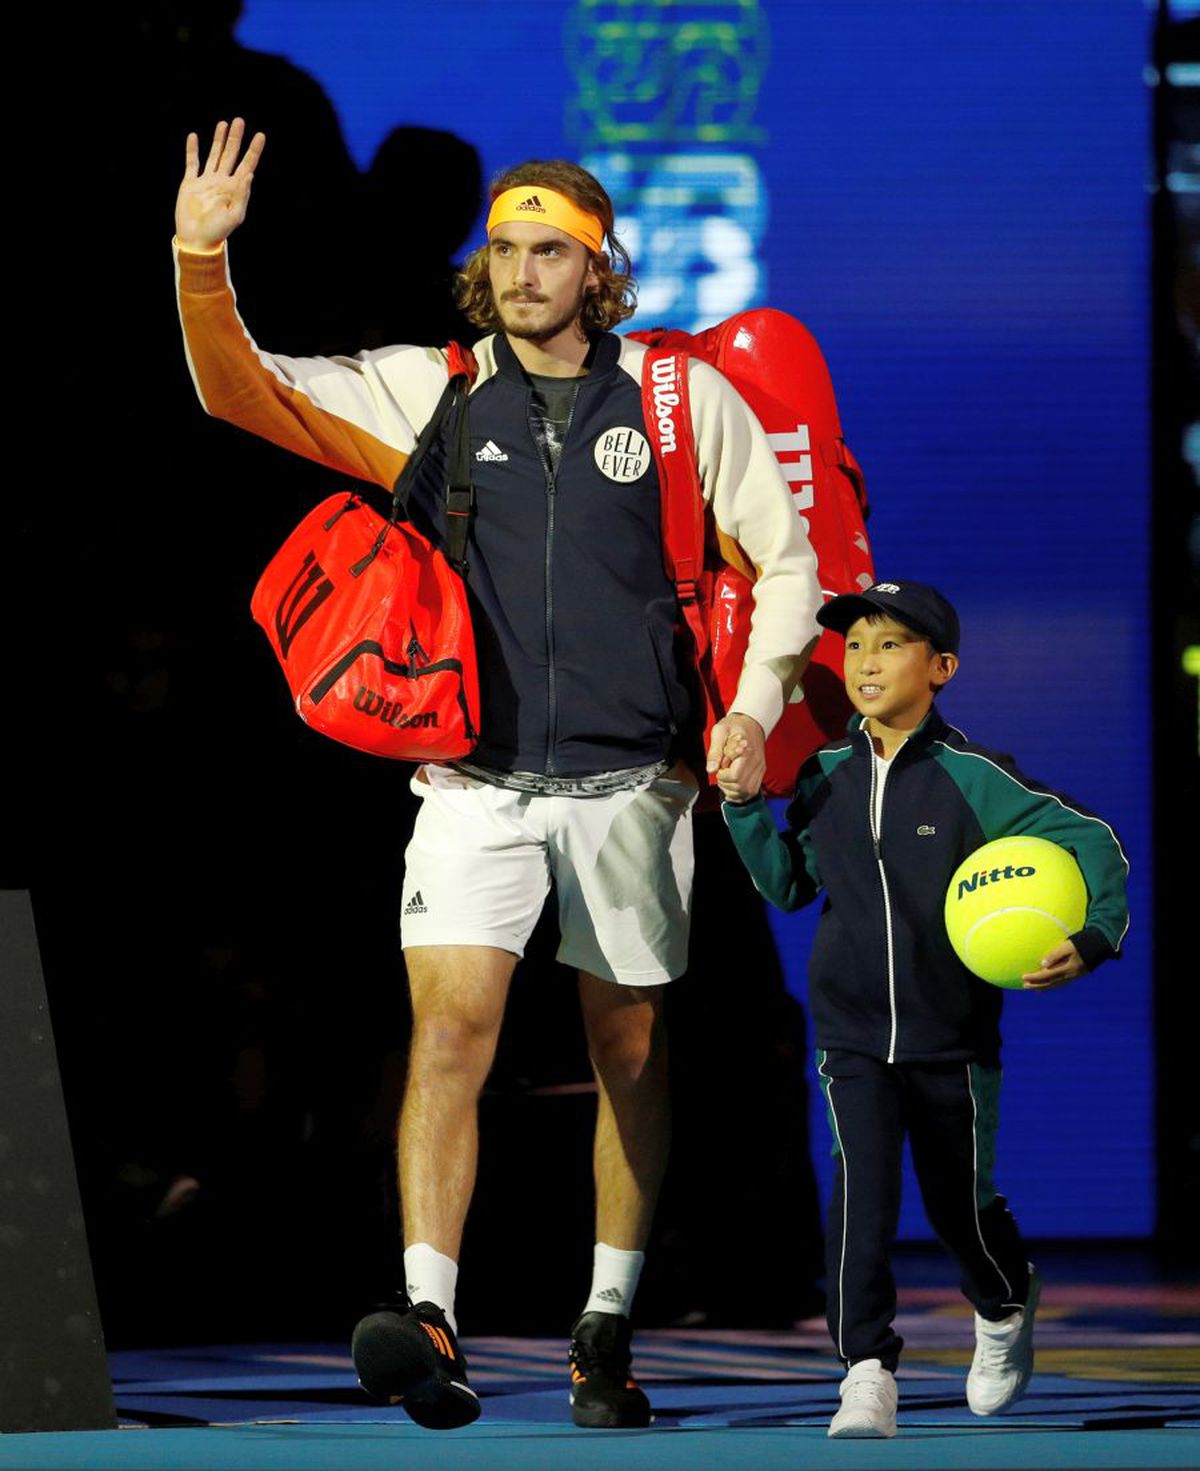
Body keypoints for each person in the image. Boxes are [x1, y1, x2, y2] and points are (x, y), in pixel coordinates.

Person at [173, 120, 822, 1430]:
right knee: (450, 1033)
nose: (522, 271)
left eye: (550, 251)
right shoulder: (433, 391)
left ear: (599, 269)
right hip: (472, 786)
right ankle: (429, 1312)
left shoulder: (687, 403)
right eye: (505, 249)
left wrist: (755, 706)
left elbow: (789, 559)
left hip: (633, 787)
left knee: (627, 1049)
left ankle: (604, 1325)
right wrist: (200, 257)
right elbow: (242, 390)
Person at [717, 579, 1129, 1439]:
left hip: (953, 1037)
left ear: (940, 667)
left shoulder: (973, 777)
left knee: (958, 1208)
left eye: (891, 644)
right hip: (851, 1036)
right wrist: (747, 807)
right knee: (860, 1197)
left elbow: (1093, 839)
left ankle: (1003, 1297)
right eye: (856, 644)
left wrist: (1093, 937)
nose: (866, 661)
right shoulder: (824, 774)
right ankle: (867, 1370)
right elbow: (790, 885)